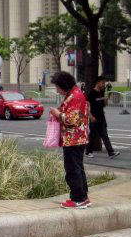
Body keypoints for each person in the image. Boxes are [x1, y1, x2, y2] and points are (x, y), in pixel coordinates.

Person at [49, 71, 90, 209]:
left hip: (73, 138)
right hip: (77, 138)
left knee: (72, 169)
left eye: (57, 87)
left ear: (64, 85)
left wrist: (57, 113)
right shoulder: (74, 94)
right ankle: (83, 196)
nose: (57, 90)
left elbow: (71, 119)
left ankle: (77, 198)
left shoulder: (75, 96)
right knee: (78, 168)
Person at [85, 76, 120, 159]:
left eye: (104, 83)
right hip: (94, 118)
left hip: (102, 117)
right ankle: (88, 152)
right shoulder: (91, 93)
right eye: (102, 83)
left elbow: (104, 105)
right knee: (92, 136)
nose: (103, 84)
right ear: (98, 82)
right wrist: (90, 116)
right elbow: (86, 106)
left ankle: (111, 152)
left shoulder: (102, 92)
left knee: (105, 135)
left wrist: (107, 99)